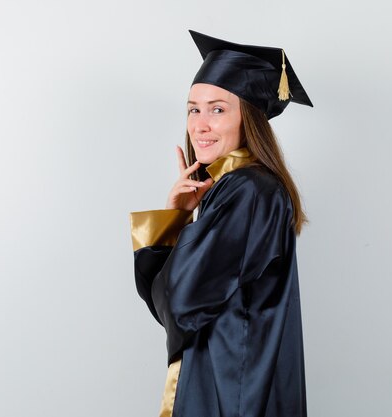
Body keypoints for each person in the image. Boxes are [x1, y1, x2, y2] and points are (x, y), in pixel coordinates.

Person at [129, 30, 314, 417]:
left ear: (248, 118)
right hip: (232, 386)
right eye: (193, 109)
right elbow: (170, 305)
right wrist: (175, 217)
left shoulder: (248, 191)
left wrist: (175, 232)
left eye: (217, 109)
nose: (200, 124)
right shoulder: (235, 189)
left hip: (233, 395)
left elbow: (178, 304)